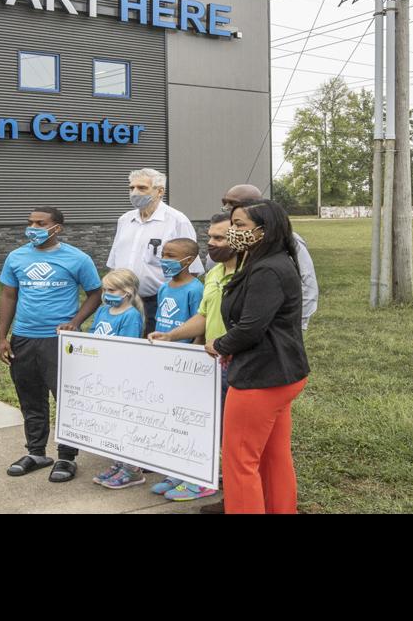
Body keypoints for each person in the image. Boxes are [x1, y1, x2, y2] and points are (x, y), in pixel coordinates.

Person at [206, 199, 310, 514]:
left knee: (239, 460)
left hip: (261, 377)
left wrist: (220, 345)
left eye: (240, 226)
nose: (233, 231)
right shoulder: (271, 262)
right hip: (280, 372)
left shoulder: (267, 269)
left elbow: (250, 328)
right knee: (272, 455)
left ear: (262, 232)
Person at [0, 207, 103, 483]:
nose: (33, 227)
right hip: (23, 337)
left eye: (40, 223)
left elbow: (95, 293)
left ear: (57, 228)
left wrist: (75, 321)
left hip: (59, 340)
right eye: (30, 222)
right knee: (30, 396)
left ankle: (67, 457)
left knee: (66, 398)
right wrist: (2, 337)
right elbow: (9, 296)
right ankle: (36, 452)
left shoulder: (77, 258)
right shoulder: (16, 257)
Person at [144, 237, 213, 502]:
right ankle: (179, 470)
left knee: (189, 419)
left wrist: (193, 355)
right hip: (164, 361)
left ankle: (196, 474)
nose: (165, 259)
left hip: (186, 363)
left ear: (188, 260)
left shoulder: (196, 289)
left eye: (172, 255)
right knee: (171, 418)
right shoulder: (164, 288)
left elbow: (201, 324)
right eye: (164, 254)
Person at [108, 168, 200, 336]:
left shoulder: (177, 221)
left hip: (158, 303)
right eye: (131, 188)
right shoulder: (125, 220)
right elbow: (114, 263)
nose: (135, 192)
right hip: (123, 300)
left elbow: (192, 270)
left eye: (142, 188)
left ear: (160, 191)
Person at [221, 184, 318, 331]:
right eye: (225, 203)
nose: (227, 208)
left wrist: (297, 323)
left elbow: (307, 280)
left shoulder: (287, 241)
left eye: (234, 203)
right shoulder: (232, 234)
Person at [85, 269, 148, 490]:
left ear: (127, 292)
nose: (106, 293)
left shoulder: (130, 316)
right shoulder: (103, 310)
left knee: (124, 424)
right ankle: (119, 463)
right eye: (105, 289)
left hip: (121, 378)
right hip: (102, 375)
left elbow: (127, 349)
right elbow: (93, 334)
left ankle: (133, 469)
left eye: (111, 290)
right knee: (110, 423)